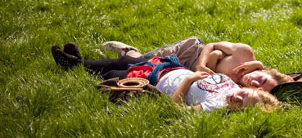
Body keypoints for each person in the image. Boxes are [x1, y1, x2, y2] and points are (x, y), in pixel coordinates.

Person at [51, 44, 279, 112]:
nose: (237, 97)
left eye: (240, 104)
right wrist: (260, 67)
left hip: (159, 80)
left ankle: (76, 65)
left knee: (115, 74)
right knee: (127, 63)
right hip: (171, 67)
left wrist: (189, 81)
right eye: (243, 95)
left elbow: (175, 109)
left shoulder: (216, 106)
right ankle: (78, 63)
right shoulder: (232, 84)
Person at [101, 38, 292, 92]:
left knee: (142, 69)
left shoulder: (242, 88)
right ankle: (128, 51)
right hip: (192, 52)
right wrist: (202, 65)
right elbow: (212, 46)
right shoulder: (245, 53)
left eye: (259, 87)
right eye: (261, 78)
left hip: (179, 71)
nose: (255, 82)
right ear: (265, 70)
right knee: (138, 61)